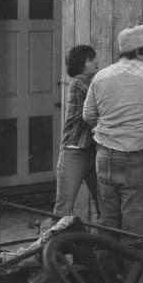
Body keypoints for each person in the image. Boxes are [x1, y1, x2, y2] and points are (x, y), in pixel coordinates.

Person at [83, 21, 143, 265]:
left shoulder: (101, 76)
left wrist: (110, 127)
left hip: (105, 157)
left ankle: (108, 274)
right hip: (135, 159)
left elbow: (88, 115)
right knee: (133, 222)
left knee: (108, 220)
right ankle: (131, 277)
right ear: (141, 52)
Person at [52, 45, 101, 226]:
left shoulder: (93, 81)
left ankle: (104, 250)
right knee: (63, 209)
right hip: (75, 153)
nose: (97, 61)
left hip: (94, 152)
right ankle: (49, 251)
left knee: (103, 205)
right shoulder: (79, 82)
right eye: (91, 59)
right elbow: (103, 96)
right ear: (82, 63)